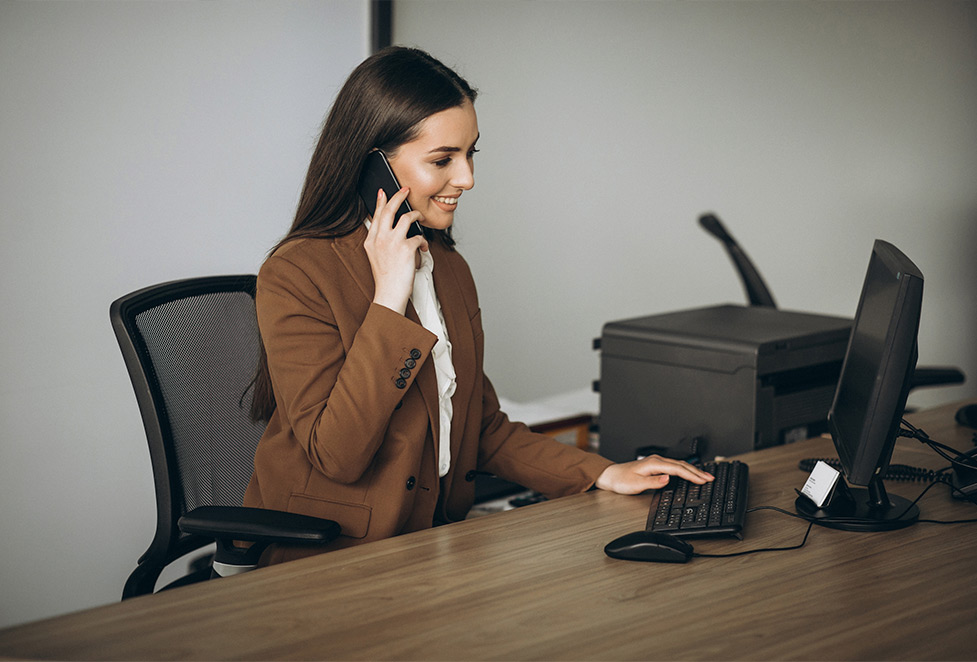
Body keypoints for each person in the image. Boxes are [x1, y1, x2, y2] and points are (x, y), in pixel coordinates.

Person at [244, 46, 711, 565]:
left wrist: (602, 472)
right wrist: (388, 300)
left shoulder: (448, 267)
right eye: (443, 160)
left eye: (471, 154)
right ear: (373, 165)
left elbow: (481, 427)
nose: (466, 178)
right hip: (331, 559)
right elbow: (337, 454)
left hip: (433, 549)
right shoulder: (296, 273)